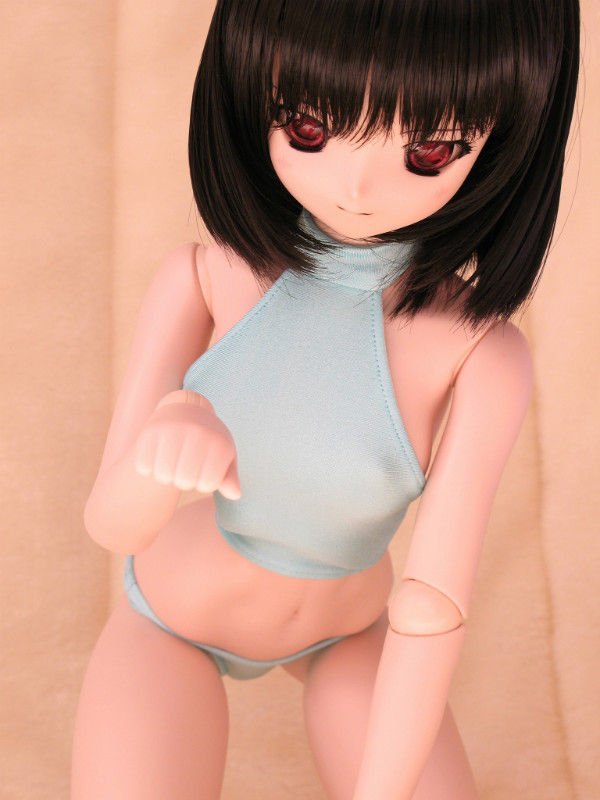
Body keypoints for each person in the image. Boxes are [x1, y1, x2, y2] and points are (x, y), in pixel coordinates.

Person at [71, 1, 581, 798]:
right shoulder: (207, 276)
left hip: (350, 635)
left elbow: (432, 603)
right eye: (309, 128)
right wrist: (158, 453)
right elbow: (112, 525)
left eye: (429, 149)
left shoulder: (479, 349)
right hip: (171, 620)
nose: (357, 185)